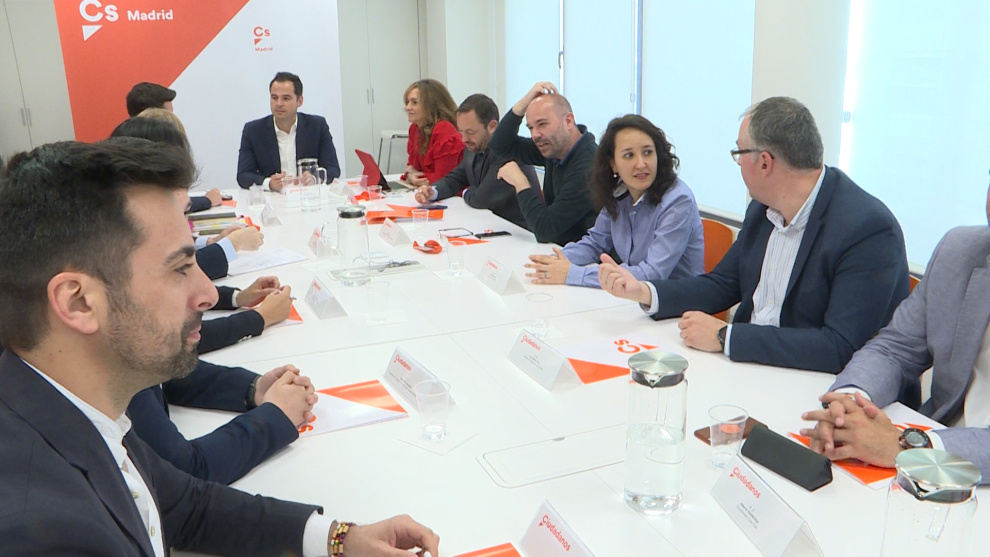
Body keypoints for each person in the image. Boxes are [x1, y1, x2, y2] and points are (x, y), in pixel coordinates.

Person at [0, 139, 439, 555]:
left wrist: (341, 539)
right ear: (78, 302)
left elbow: (183, 505)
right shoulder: (44, 532)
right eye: (180, 268)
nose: (209, 294)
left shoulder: (70, 403)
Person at [599, 96, 909, 373]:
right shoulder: (763, 208)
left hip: (816, 386)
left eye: (739, 153)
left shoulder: (866, 228)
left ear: (764, 162)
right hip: (752, 370)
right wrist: (645, 291)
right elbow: (723, 284)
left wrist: (727, 337)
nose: (737, 164)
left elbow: (840, 347)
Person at [800, 178, 990, 483]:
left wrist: (911, 447)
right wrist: (847, 405)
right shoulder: (959, 250)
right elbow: (895, 348)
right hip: (923, 467)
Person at [524, 114, 704, 288]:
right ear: (613, 164)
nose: (641, 164)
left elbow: (652, 273)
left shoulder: (678, 201)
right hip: (631, 298)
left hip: (675, 303)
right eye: (629, 155)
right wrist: (554, 261)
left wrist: (572, 274)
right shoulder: (620, 191)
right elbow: (596, 243)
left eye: (648, 152)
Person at [488, 81, 598, 245]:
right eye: (531, 127)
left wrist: (520, 182)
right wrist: (524, 103)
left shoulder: (588, 166)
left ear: (568, 121)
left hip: (583, 256)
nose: (535, 135)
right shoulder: (555, 147)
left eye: (542, 124)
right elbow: (499, 145)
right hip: (558, 250)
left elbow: (545, 230)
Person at [413, 93, 536, 229]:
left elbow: (481, 199)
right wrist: (432, 191)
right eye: (461, 131)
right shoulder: (473, 147)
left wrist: (466, 192)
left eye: (470, 132)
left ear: (492, 126)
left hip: (517, 231)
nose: (464, 139)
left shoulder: (508, 153)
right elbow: (455, 179)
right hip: (487, 224)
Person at [237, 71, 341, 191]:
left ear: (299, 101)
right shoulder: (253, 131)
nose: (279, 104)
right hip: (273, 198)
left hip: (307, 196)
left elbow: (333, 169)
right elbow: (243, 175)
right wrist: (269, 183)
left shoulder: (317, 126)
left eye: (286, 98)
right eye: (274, 98)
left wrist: (315, 178)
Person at [402, 79, 465, 186]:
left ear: (431, 105)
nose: (407, 107)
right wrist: (410, 176)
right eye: (407, 102)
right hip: (427, 189)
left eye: (414, 102)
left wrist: (414, 178)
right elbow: (411, 168)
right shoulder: (415, 128)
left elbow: (443, 180)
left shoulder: (444, 130)